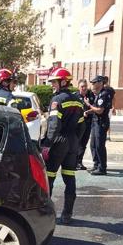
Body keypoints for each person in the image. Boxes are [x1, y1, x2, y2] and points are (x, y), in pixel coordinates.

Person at [43, 67, 85, 224]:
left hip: (58, 142)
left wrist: (47, 144)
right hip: (72, 142)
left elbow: (54, 125)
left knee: (50, 177)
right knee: (69, 178)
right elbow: (82, 126)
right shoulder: (78, 101)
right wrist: (76, 141)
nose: (52, 85)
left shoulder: (57, 100)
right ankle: (67, 214)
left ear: (63, 81)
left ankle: (45, 214)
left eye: (54, 82)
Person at [85, 75, 112, 176]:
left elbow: (100, 110)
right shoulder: (99, 94)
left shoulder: (104, 94)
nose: (92, 84)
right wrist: (88, 111)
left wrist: (88, 105)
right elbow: (96, 108)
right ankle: (96, 165)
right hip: (96, 122)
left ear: (100, 83)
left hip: (101, 122)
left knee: (99, 145)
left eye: (94, 82)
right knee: (93, 145)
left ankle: (102, 168)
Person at [73, 79, 94, 170]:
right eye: (82, 86)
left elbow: (95, 107)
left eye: (85, 86)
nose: (84, 88)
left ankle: (79, 162)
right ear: (78, 87)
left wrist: (88, 110)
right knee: (75, 143)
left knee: (83, 143)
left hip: (87, 123)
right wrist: (82, 113)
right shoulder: (75, 97)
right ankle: (73, 162)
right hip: (77, 124)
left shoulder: (91, 96)